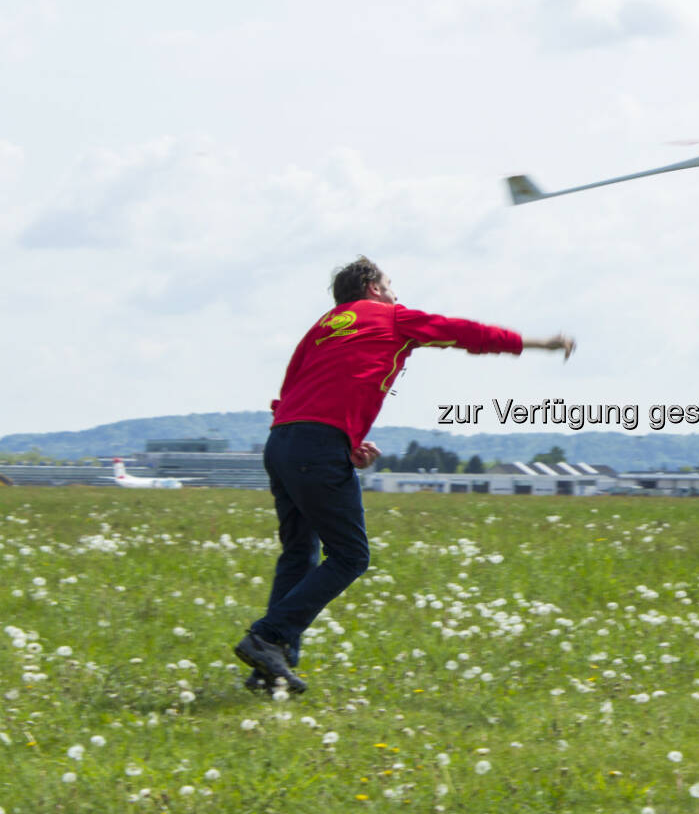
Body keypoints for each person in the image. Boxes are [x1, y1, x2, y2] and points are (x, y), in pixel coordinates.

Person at [234, 256, 574, 692]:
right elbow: (463, 333)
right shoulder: (392, 318)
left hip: (282, 443)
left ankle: (271, 669)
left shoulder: (323, 326)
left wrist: (345, 438)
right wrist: (538, 343)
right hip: (314, 447)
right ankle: (267, 637)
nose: (397, 291)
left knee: (298, 554)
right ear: (373, 288)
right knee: (350, 557)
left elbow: (291, 390)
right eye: (391, 283)